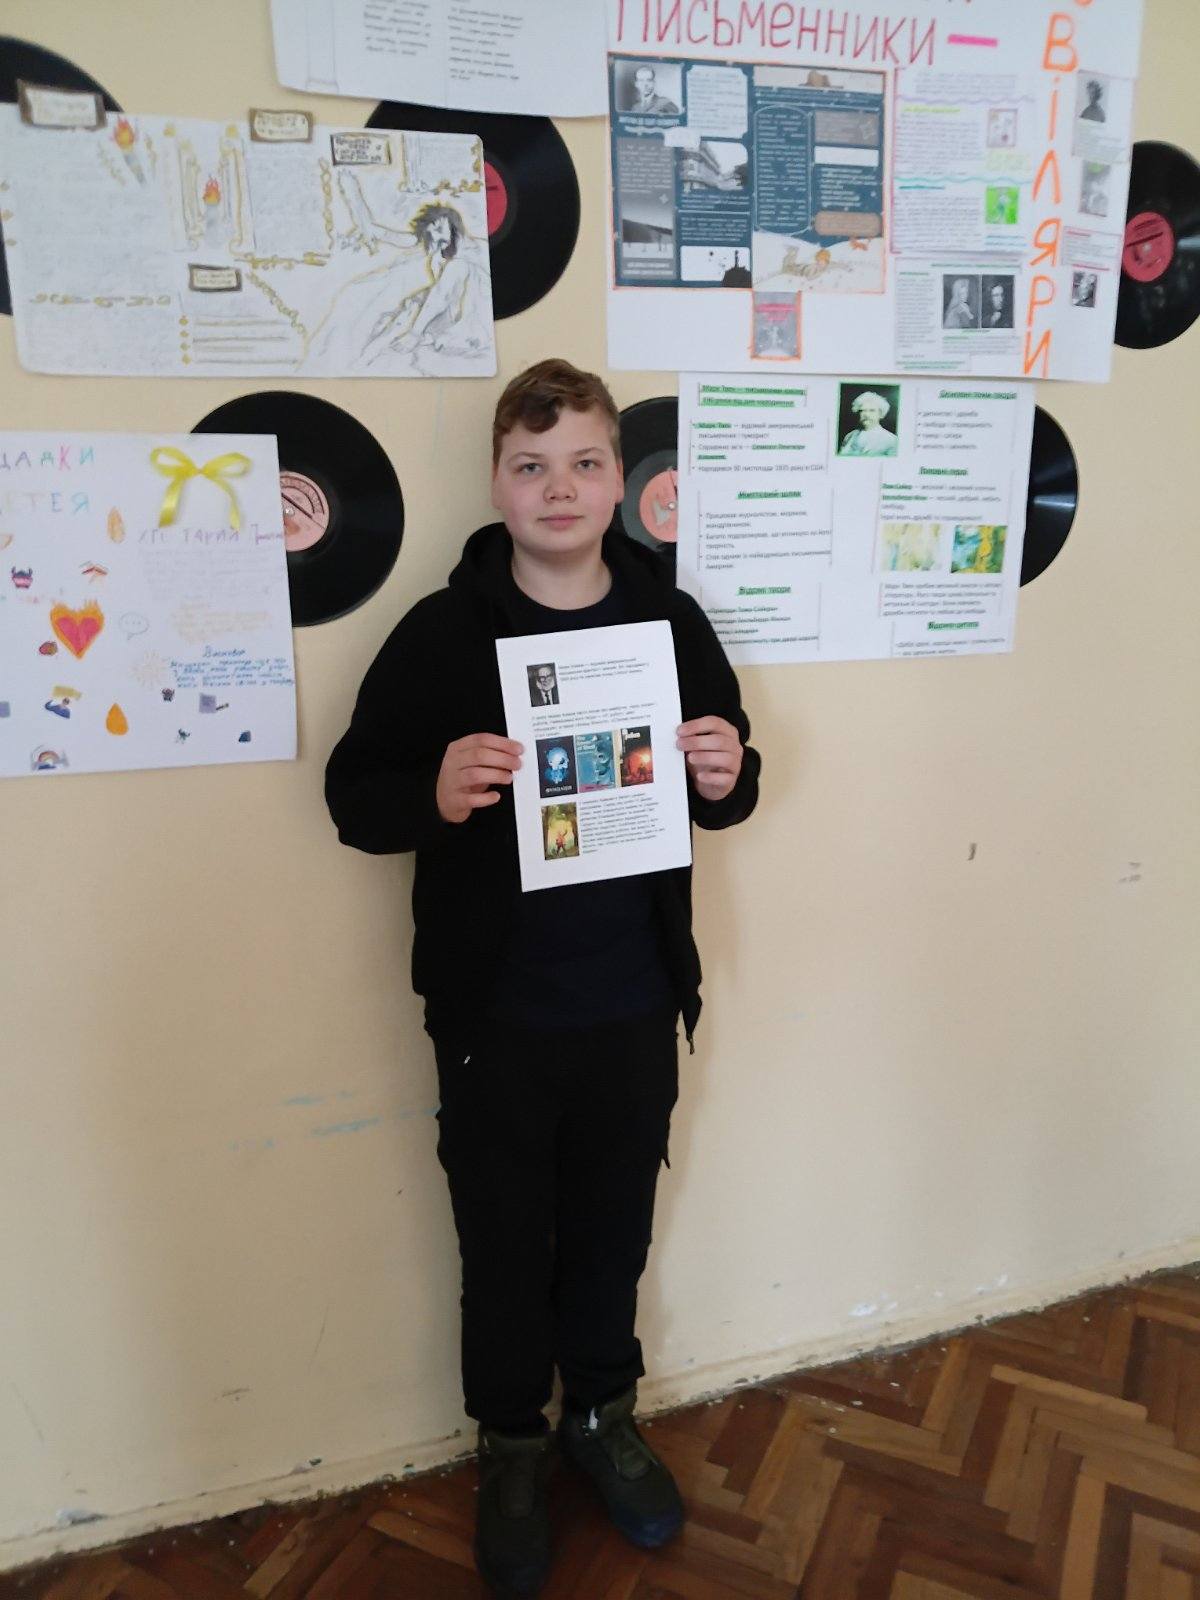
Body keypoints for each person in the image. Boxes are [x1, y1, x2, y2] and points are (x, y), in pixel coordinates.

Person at [325, 358, 760, 1597]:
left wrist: (730, 772)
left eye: (583, 462)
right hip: (497, 1019)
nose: (559, 488)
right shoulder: (445, 633)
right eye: (531, 465)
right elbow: (354, 796)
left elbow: (726, 784)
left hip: (631, 1002)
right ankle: (511, 1440)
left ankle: (603, 1414)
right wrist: (433, 790)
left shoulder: (671, 624)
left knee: (613, 1227)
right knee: (503, 1239)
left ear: (619, 481)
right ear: (496, 484)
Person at [839, 390, 898, 457]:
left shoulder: (892, 440)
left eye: (872, 410)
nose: (866, 415)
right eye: (862, 411)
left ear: (881, 414)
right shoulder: (850, 436)